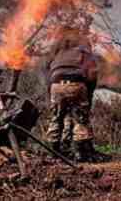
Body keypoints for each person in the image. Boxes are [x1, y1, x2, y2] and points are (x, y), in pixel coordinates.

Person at [45, 29, 109, 162]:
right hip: (77, 83)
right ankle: (80, 153)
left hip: (55, 84)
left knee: (56, 118)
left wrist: (51, 92)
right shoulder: (84, 51)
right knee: (80, 120)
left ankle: (53, 152)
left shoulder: (59, 52)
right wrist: (88, 95)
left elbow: (48, 72)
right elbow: (92, 75)